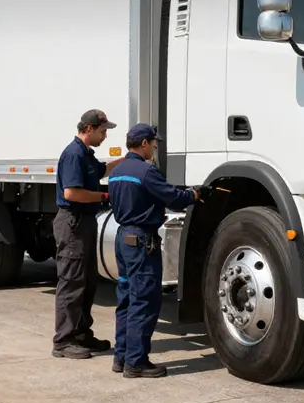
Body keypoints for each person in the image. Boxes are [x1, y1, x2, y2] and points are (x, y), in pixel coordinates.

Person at [109, 122, 212, 378]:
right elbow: (174, 199)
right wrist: (196, 194)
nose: (154, 149)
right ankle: (136, 363)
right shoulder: (146, 171)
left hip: (123, 239)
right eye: (154, 145)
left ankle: (121, 357)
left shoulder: (117, 171)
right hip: (141, 241)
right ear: (144, 143)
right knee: (144, 301)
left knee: (126, 298)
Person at [52, 109, 125, 360]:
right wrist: (105, 196)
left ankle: (81, 334)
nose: (105, 136)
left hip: (84, 222)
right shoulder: (74, 154)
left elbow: (101, 170)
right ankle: (63, 341)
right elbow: (72, 193)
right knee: (72, 281)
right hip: (73, 223)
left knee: (86, 281)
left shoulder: (86, 154)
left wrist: (125, 160)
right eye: (103, 131)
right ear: (90, 129)